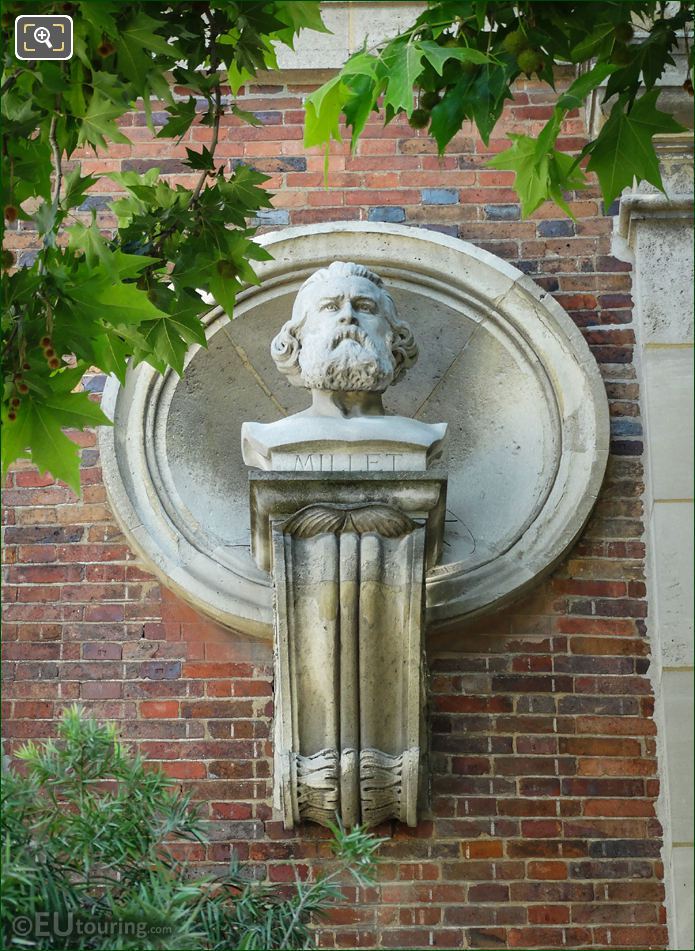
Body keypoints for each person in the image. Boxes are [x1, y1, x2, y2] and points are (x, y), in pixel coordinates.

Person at [241, 261, 447, 471]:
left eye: (365, 307)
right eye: (330, 307)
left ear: (393, 338)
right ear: (298, 337)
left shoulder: (423, 438)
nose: (348, 316)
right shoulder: (271, 438)